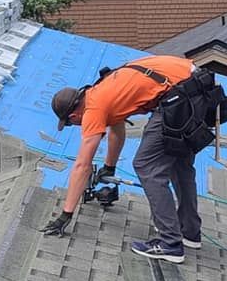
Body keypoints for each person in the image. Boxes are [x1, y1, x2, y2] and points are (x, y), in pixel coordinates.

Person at [41, 55, 203, 263]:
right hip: (197, 86)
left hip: (179, 96)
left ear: (73, 117)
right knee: (179, 163)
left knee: (146, 165)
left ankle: (170, 243)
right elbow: (116, 131)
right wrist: (110, 167)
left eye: (73, 124)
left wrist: (66, 214)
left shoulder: (92, 110)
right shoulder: (101, 89)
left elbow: (82, 165)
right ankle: (189, 231)